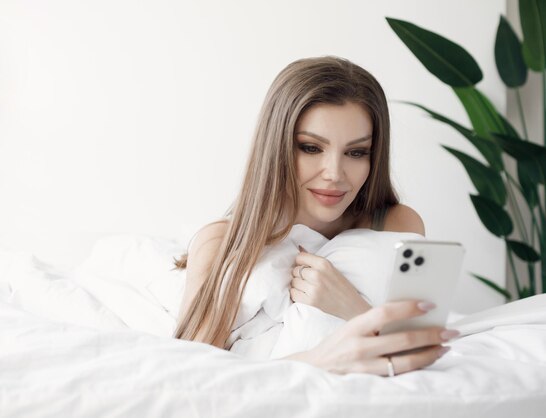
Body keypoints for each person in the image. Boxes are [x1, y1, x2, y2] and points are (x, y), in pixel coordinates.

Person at [172, 56, 455, 376]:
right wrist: (319, 361)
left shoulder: (399, 223)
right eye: (310, 148)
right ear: (276, 147)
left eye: (356, 152)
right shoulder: (218, 241)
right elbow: (191, 374)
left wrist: (352, 308)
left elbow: (419, 349)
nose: (334, 174)